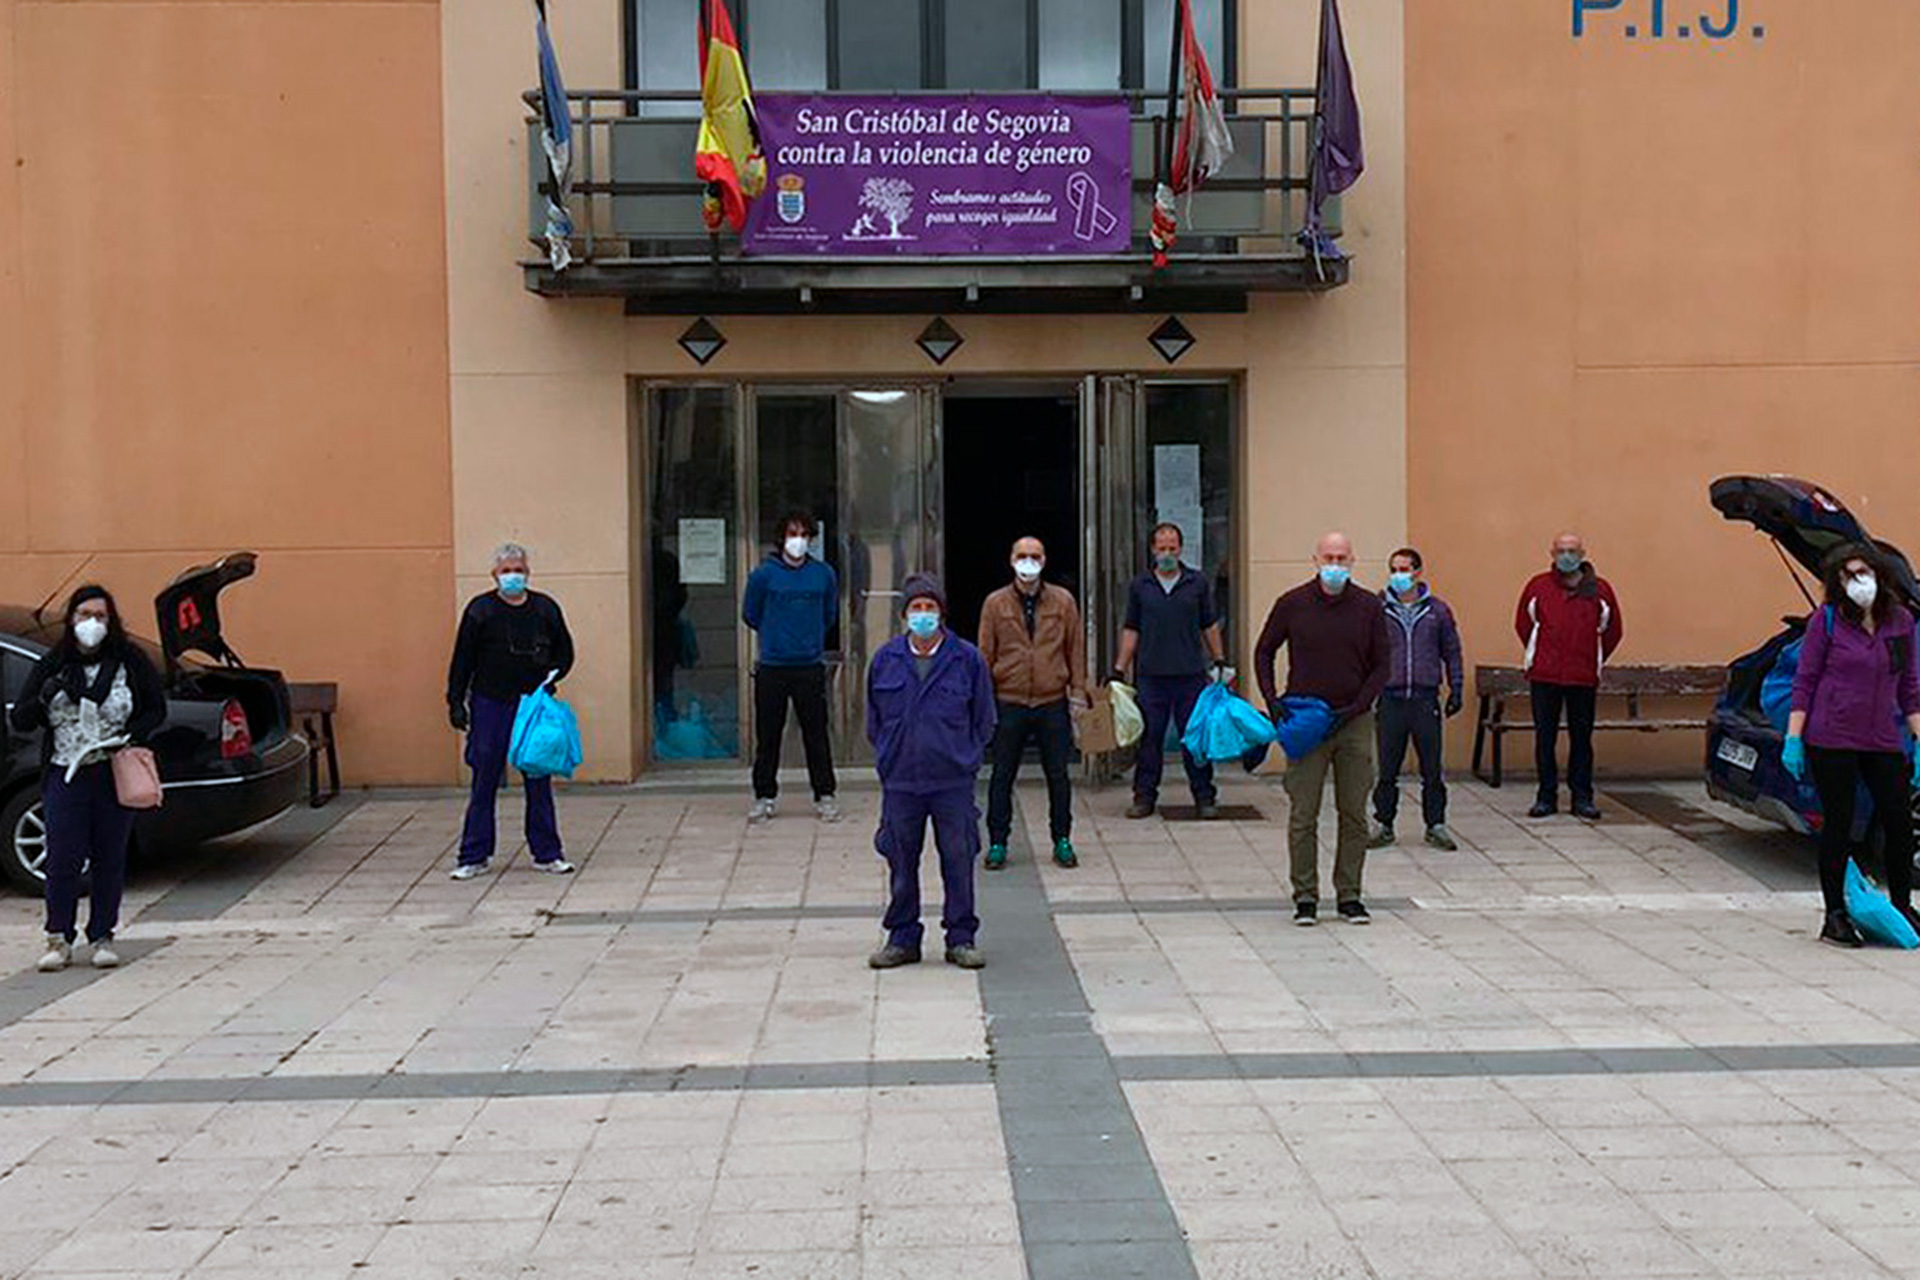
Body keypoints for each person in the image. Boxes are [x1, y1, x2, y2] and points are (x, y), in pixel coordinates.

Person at [9, 586, 165, 972]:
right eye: (83, 615)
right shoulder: (55, 663)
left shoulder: (129, 660)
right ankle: (58, 936)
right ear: (71, 620)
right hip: (67, 770)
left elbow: (155, 709)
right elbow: (23, 717)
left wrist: (132, 735)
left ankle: (102, 934)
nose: (91, 623)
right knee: (63, 856)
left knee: (109, 856)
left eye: (100, 615)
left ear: (110, 621)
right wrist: (45, 697)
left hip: (112, 769)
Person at [1783, 544, 1920, 947]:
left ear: (1879, 575)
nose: (1857, 582)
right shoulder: (1826, 622)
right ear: (1836, 584)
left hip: (1881, 736)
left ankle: (1901, 904)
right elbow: (1804, 681)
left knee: (1897, 821)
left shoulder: (1900, 622)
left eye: (1863, 572)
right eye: (1847, 576)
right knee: (1839, 824)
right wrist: (1794, 737)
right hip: (1832, 735)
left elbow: (1909, 689)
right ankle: (1835, 915)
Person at [1255, 532, 1391, 926]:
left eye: (1342, 558)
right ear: (1314, 560)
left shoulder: (1368, 606)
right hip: (1306, 722)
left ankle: (1349, 895)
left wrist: (1358, 706)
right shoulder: (1292, 603)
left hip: (1353, 721)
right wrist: (1272, 701)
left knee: (1354, 813)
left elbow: (1383, 664)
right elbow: (1264, 650)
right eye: (1328, 557)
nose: (1335, 564)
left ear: (1353, 561)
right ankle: (1305, 898)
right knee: (1303, 814)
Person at [866, 575, 996, 971]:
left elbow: (984, 719)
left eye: (930, 608)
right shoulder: (886, 659)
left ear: (941, 613)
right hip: (902, 780)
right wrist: (889, 757)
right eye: (916, 608)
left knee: (958, 859)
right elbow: (874, 721)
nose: (923, 615)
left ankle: (961, 937)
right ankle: (903, 937)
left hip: (951, 781)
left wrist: (964, 758)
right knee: (901, 860)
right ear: (904, 614)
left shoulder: (966, 659)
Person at [446, 542, 576, 880]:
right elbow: (462, 659)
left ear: (528, 572)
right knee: (485, 777)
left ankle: (547, 853)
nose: (512, 576)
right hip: (491, 700)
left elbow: (565, 652)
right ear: (494, 575)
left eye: (518, 569)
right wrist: (455, 700)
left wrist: (550, 679)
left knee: (537, 774)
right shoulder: (481, 610)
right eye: (506, 571)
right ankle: (474, 855)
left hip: (532, 703)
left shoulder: (545, 608)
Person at [978, 536, 1089, 871]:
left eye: (1035, 556)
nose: (1028, 562)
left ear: (1044, 560)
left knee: (1058, 774)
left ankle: (1062, 839)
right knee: (1002, 775)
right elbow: (984, 653)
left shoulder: (1063, 601)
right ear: (1011, 560)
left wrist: (1078, 691)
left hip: (1051, 699)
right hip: (1008, 699)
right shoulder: (995, 604)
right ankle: (998, 841)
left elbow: (1075, 649)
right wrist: (982, 699)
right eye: (1022, 556)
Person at [1114, 523, 1225, 820]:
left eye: (1172, 548)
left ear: (1181, 549)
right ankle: (1144, 797)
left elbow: (1209, 624)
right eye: (1161, 548)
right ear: (1152, 549)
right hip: (1151, 676)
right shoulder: (1141, 586)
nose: (1167, 553)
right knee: (1150, 740)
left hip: (1190, 675)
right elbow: (1131, 629)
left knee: (1195, 740)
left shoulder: (1197, 583)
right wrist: (1119, 668)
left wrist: (1219, 659)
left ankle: (1204, 796)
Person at [1515, 532, 1623, 820]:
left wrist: (1591, 659)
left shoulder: (1600, 590)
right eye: (1561, 550)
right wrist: (1541, 656)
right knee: (1544, 739)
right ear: (1551, 553)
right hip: (1545, 677)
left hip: (1582, 678)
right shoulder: (1537, 587)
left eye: (1572, 551)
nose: (1566, 556)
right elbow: (1524, 625)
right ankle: (1546, 797)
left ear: (1583, 554)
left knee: (1582, 739)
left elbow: (1612, 632)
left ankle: (1582, 797)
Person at [741, 512, 840, 824]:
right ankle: (764, 796)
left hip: (809, 666)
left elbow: (829, 614)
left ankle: (825, 795)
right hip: (772, 666)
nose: (797, 540)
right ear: (781, 537)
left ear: (811, 538)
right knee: (768, 736)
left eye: (803, 534)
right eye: (791, 533)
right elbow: (751, 614)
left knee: (816, 734)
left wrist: (807, 640)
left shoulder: (823, 574)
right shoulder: (763, 576)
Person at [1369, 548, 1465, 851]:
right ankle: (1383, 824)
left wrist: (1456, 688)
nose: (1399, 575)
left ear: (1418, 572)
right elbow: (1365, 652)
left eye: (1405, 569)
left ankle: (1435, 824)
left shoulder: (1437, 610)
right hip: (1390, 698)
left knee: (1431, 769)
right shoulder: (1378, 609)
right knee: (1387, 769)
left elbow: (1451, 651)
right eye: (1394, 569)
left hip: (1425, 699)